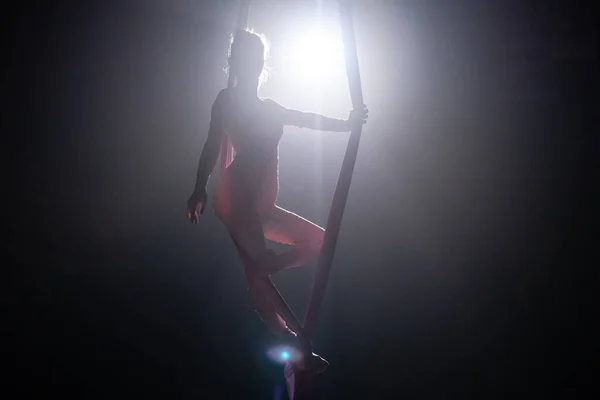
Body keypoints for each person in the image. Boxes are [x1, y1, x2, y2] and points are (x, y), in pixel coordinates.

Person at [187, 29, 367, 372]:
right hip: (237, 195)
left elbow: (308, 120)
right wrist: (199, 188)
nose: (250, 64)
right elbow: (211, 147)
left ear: (262, 64)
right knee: (258, 273)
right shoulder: (227, 100)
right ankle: (292, 345)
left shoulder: (271, 109)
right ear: (233, 63)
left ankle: (273, 268)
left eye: (255, 58)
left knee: (321, 243)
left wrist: (348, 124)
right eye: (243, 58)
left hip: (264, 205)